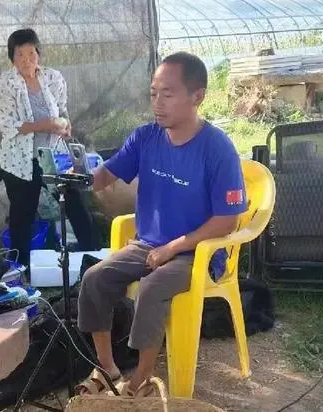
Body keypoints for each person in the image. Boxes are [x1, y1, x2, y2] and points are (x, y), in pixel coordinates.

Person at [76, 52, 248, 396]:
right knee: (95, 279)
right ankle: (107, 366)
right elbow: (108, 173)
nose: (157, 103)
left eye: (167, 94)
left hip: (197, 253)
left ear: (196, 96)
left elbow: (228, 219)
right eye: (153, 93)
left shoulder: (218, 149)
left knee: (153, 287)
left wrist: (176, 246)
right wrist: (78, 180)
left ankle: (141, 376)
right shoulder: (146, 138)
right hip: (148, 244)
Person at [0, 28, 100, 272]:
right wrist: (48, 125)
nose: (26, 59)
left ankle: (93, 257)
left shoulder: (53, 78)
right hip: (20, 160)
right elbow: (8, 127)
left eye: (31, 52)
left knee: (75, 203)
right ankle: (20, 269)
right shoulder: (6, 85)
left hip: (53, 154)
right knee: (22, 213)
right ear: (12, 58)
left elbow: (62, 110)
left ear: (38, 54)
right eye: (19, 54)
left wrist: (64, 124)